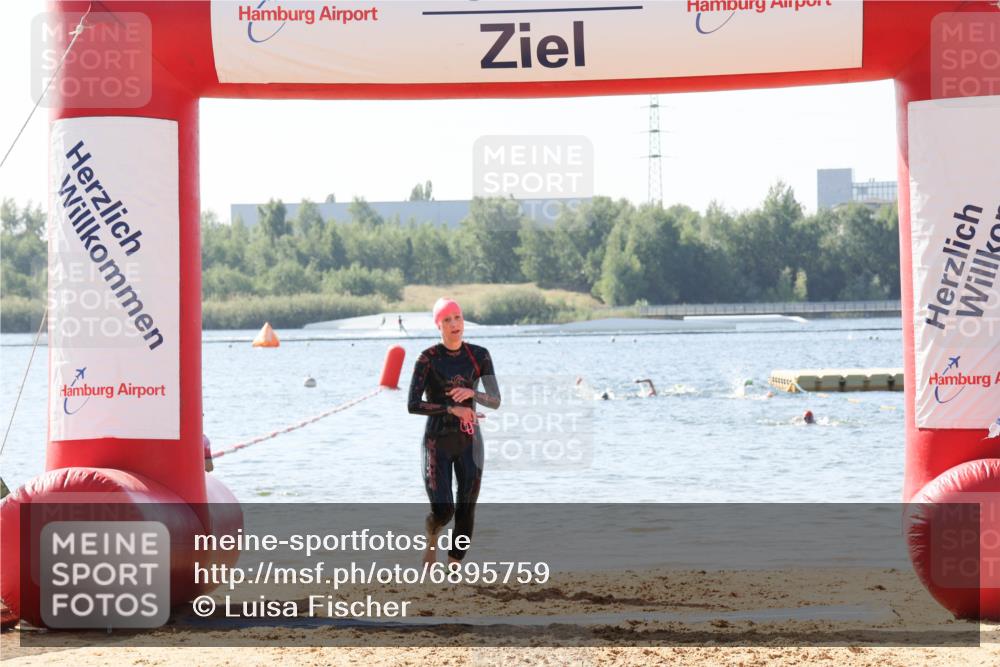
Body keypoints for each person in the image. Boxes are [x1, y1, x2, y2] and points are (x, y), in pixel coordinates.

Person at [408, 298, 500, 568]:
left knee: (467, 506)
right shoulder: (427, 358)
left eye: (457, 318)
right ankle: (432, 536)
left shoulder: (479, 355)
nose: (454, 324)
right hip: (437, 442)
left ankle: (454, 565)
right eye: (447, 320)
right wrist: (452, 409)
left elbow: (494, 400)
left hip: (470, 441)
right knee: (444, 510)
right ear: (439, 325)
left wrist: (473, 393)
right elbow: (413, 405)